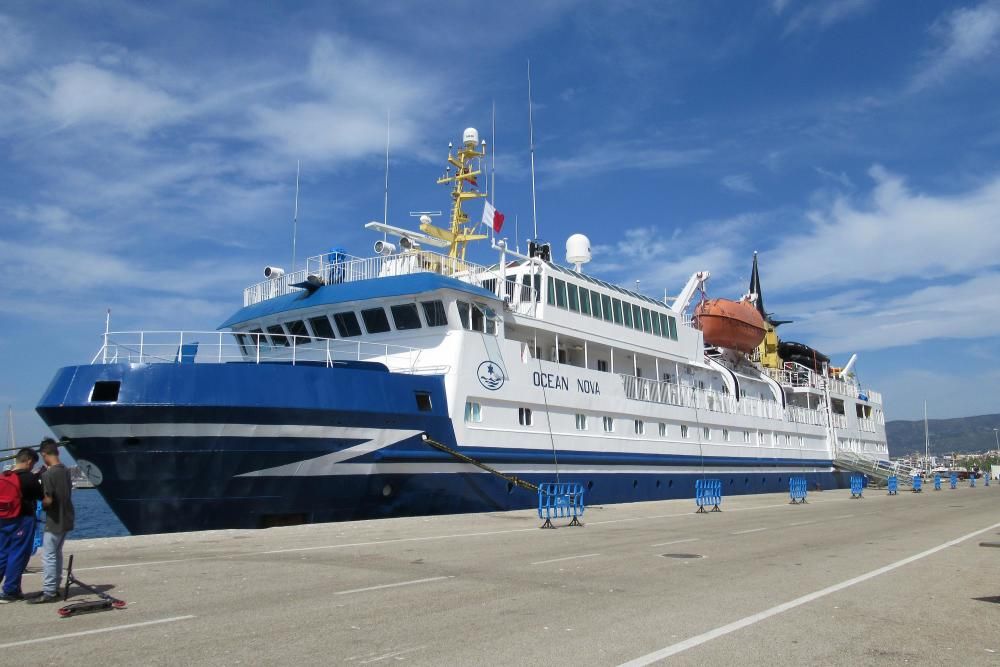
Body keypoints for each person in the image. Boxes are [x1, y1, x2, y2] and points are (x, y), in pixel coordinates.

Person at [27, 439, 74, 604]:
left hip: (54, 519)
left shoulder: (48, 474)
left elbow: (48, 500)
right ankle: (55, 586)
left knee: (48, 556)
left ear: (44, 454)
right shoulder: (66, 471)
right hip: (67, 517)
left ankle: (49, 591)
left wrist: (41, 500)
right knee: (57, 553)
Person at [0, 448, 43, 603]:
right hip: (22, 519)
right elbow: (40, 496)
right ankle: (10, 590)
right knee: (18, 554)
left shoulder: (5, 475)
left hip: (3, 519)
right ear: (29, 461)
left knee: (3, 552)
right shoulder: (28, 478)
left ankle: (13, 589)